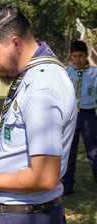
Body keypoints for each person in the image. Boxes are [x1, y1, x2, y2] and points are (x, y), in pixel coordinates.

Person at [0, 4, 77, 224]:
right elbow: (16, 136)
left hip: (27, 216)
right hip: (25, 212)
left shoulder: (42, 87)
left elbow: (45, 177)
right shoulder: (33, 75)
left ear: (15, 44)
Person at [62, 40, 97, 196]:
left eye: (80, 56)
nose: (77, 60)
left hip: (88, 115)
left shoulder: (94, 73)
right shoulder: (68, 71)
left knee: (93, 151)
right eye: (74, 56)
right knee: (69, 151)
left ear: (87, 55)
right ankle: (67, 184)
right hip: (71, 115)